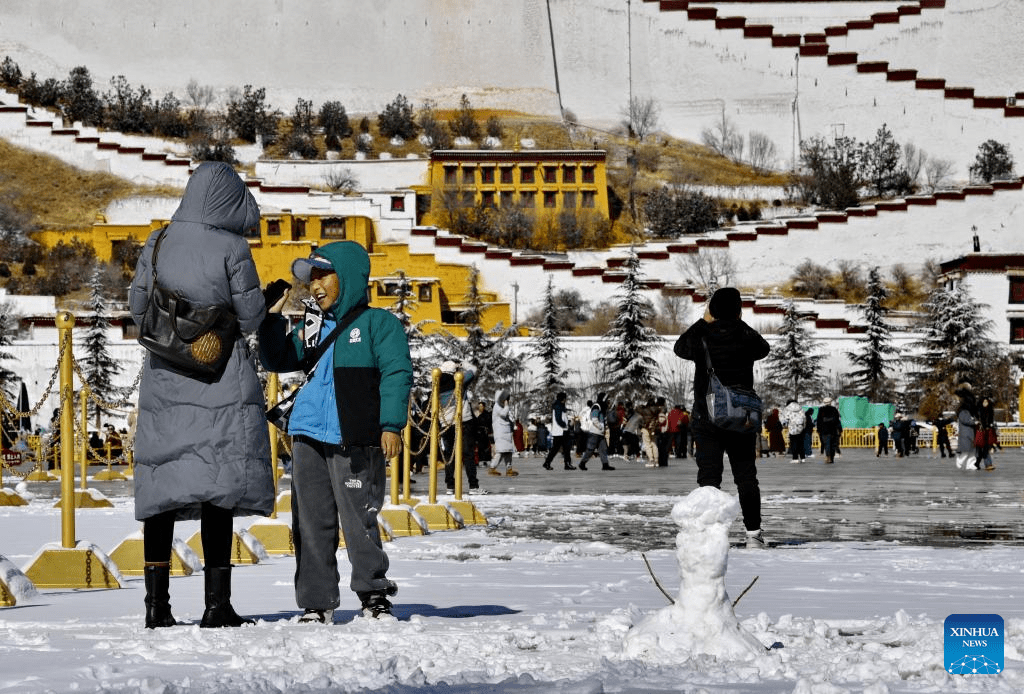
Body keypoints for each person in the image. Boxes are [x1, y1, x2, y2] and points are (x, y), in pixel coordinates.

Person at [128, 161, 275, 629]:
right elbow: (250, 318)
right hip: (218, 378)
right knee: (218, 490)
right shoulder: (233, 246)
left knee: (163, 490)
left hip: (165, 376)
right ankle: (217, 606)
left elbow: (136, 308)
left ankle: (157, 607)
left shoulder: (159, 240)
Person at [259, 240, 413, 622]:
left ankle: (373, 595)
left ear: (347, 276)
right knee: (310, 522)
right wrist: (271, 319)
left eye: (323, 274)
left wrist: (391, 424)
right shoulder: (312, 326)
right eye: (311, 277)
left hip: (354, 438)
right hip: (308, 434)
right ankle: (316, 602)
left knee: (359, 519)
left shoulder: (379, 324)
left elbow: (397, 374)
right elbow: (278, 359)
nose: (315, 285)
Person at [674, 287, 770, 549]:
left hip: (707, 418)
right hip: (741, 417)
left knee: (709, 477)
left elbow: (680, 348)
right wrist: (738, 321)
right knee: (746, 478)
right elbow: (764, 348)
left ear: (712, 310)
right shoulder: (744, 334)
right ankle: (753, 534)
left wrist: (704, 321)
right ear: (738, 310)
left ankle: (709, 534)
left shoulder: (702, 334)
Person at [437, 361, 480, 494]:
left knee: (450, 455)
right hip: (463, 422)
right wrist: (462, 364)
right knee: (468, 455)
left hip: (446, 424)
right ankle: (473, 486)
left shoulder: (436, 383)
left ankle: (450, 486)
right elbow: (474, 369)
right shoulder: (459, 380)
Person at [576, 393, 616, 471]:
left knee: (603, 449)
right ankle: (582, 463)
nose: (608, 402)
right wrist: (601, 427)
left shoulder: (602, 407)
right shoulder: (596, 406)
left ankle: (605, 465)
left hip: (600, 433)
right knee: (590, 450)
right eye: (607, 400)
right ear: (603, 399)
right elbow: (594, 419)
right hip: (594, 433)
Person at [542, 392, 575, 470]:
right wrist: (565, 425)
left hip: (559, 431)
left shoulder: (558, 405)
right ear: (563, 399)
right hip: (561, 431)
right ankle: (567, 464)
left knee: (556, 448)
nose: (566, 400)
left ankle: (547, 463)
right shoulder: (558, 406)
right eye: (565, 398)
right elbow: (558, 419)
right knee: (566, 448)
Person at [489, 389, 518, 477]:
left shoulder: (502, 406)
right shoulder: (497, 407)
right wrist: (506, 406)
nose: (507, 401)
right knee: (500, 451)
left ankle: (509, 469)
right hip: (500, 433)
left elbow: (507, 418)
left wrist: (513, 426)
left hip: (506, 433)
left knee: (508, 452)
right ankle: (492, 468)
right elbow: (504, 414)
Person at [954, 385, 978, 471]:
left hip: (970, 434)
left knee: (972, 451)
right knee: (966, 451)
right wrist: (974, 422)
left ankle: (971, 464)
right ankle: (960, 461)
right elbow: (965, 420)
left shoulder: (967, 411)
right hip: (965, 434)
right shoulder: (963, 411)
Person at [815, 399, 842, 464]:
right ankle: (832, 457)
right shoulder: (834, 409)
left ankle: (828, 457)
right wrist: (840, 429)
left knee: (827, 444)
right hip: (833, 429)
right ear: (830, 402)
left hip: (824, 430)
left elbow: (819, 420)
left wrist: (818, 429)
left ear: (824, 402)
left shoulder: (821, 409)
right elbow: (837, 420)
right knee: (833, 444)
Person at [975, 396, 996, 471]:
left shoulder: (990, 411)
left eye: (986, 402)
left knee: (985, 449)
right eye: (984, 402)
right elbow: (976, 421)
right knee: (981, 449)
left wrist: (990, 426)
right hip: (980, 432)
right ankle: (980, 463)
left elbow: (991, 421)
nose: (985, 403)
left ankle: (986, 464)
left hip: (987, 432)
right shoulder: (978, 411)